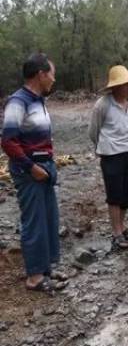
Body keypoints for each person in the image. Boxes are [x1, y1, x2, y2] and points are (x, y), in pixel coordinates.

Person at [1, 53, 66, 292]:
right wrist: (31, 167)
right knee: (34, 222)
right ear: (40, 74)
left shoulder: (38, 101)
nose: (53, 79)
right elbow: (8, 141)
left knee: (49, 218)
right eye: (51, 74)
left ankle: (46, 267)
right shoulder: (19, 102)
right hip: (30, 171)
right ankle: (35, 277)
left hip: (44, 167)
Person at [89, 66, 128, 251]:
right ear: (115, 87)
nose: (127, 87)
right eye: (123, 85)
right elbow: (93, 131)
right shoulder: (103, 104)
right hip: (111, 154)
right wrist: (101, 147)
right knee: (114, 195)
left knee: (127, 193)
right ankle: (116, 233)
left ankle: (123, 226)